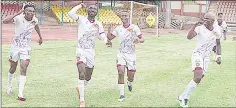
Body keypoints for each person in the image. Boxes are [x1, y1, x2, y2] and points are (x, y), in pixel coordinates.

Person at [177, 12, 222, 107]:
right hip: (198, 54)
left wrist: (218, 56)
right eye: (204, 18)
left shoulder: (217, 31)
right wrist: (194, 26)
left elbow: (218, 44)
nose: (204, 20)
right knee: (198, 75)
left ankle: (182, 96)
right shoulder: (200, 28)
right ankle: (185, 97)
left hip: (206, 57)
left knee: (199, 78)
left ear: (213, 21)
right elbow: (189, 37)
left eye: (207, 19)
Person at [68, 3, 108, 107]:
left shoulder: (98, 24)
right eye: (90, 8)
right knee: (81, 73)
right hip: (80, 50)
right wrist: (80, 5)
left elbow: (102, 35)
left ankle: (80, 88)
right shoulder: (81, 19)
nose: (92, 10)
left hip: (91, 51)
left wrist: (106, 41)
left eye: (95, 8)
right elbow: (70, 13)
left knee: (88, 76)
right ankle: (82, 100)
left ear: (97, 11)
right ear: (87, 10)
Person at [3, 4, 43, 101]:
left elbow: (36, 26)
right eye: (29, 11)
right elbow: (5, 21)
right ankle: (9, 86)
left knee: (24, 68)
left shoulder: (35, 20)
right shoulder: (18, 18)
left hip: (26, 48)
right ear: (24, 11)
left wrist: (40, 37)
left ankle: (20, 94)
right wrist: (18, 12)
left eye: (33, 11)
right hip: (15, 47)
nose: (31, 13)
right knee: (12, 68)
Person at [106, 10, 145, 102]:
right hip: (121, 54)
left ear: (129, 16)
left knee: (131, 75)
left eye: (126, 15)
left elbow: (142, 38)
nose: (124, 17)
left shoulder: (134, 27)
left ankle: (129, 82)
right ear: (120, 17)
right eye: (122, 15)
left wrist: (139, 41)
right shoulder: (118, 28)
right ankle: (122, 94)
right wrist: (108, 30)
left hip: (131, 55)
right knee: (121, 72)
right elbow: (110, 38)